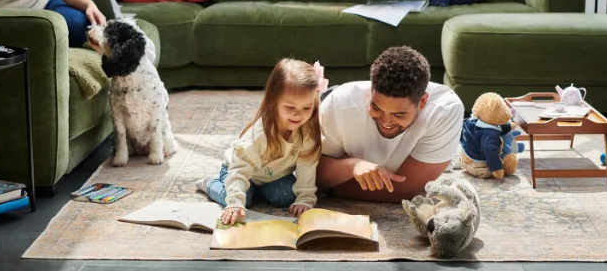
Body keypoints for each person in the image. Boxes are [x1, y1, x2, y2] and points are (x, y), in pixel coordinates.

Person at [316, 46, 464, 202]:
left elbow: (408, 190)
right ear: (371, 90)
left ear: (422, 102)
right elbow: (311, 174)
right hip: (328, 102)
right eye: (376, 107)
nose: (386, 121)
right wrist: (353, 166)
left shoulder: (445, 111)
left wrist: (332, 187)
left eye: (399, 114)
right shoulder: (340, 103)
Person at [196, 59, 328, 225]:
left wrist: (305, 199)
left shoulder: (307, 131)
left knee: (288, 197)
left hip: (273, 175)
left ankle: (258, 190)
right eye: (290, 107)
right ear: (274, 101)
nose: (298, 115)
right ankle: (210, 183)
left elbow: (306, 165)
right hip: (241, 169)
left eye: (306, 108)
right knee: (241, 200)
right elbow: (240, 168)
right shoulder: (259, 135)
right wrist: (235, 202)